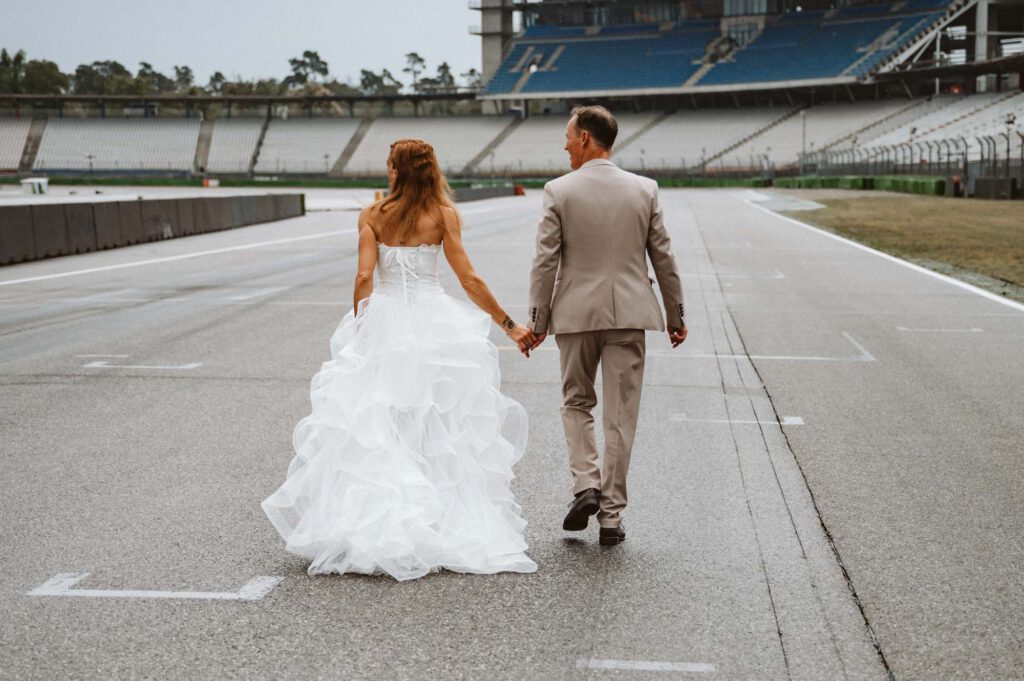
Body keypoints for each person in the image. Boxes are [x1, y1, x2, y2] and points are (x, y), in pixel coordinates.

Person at [261, 138, 539, 581]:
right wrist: (511, 326)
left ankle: (386, 524)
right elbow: (468, 278)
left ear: (395, 171)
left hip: (386, 323)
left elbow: (365, 275)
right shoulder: (444, 216)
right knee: (439, 425)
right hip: (435, 325)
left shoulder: (372, 215)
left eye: (390, 165)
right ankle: (440, 520)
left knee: (380, 425)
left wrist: (361, 325)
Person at [527, 105, 687, 546]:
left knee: (576, 403)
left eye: (567, 137)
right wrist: (675, 316)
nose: (563, 145)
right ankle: (612, 518)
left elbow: (545, 261)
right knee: (620, 417)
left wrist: (537, 320)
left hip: (576, 314)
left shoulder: (558, 191)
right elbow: (664, 258)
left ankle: (585, 486)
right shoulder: (645, 189)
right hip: (630, 314)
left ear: (584, 139)